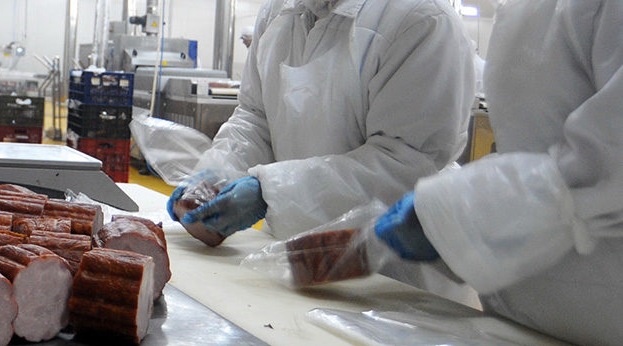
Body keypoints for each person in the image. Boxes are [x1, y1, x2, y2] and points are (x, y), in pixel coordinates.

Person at [374, 0, 623, 346]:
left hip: (605, 334)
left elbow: (607, 170)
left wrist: (458, 213)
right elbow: (535, 143)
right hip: (534, 331)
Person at [168, 0, 475, 243]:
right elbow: (256, 118)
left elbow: (404, 164)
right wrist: (214, 176)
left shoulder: (421, 19)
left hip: (388, 270)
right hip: (287, 253)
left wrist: (271, 192)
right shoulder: (279, 11)